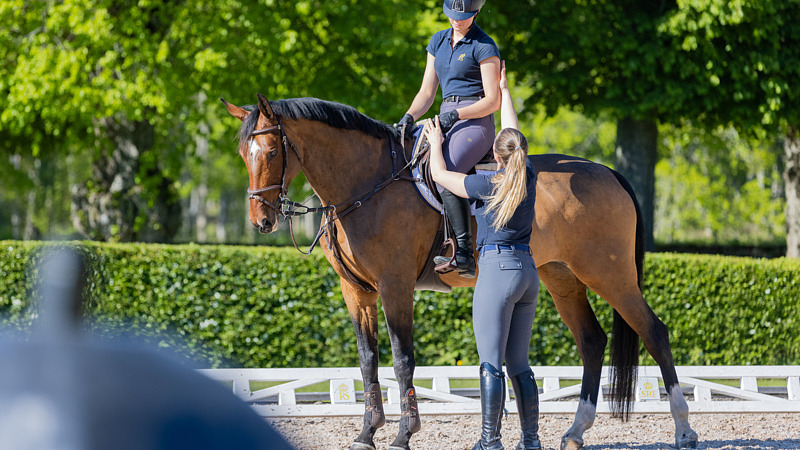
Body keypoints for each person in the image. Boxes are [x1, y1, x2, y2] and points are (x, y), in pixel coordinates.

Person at [423, 61, 542, 450]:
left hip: (496, 271)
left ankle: (490, 442)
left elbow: (441, 177)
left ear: (495, 153)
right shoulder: (529, 176)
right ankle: (531, 441)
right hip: (528, 272)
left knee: (491, 363)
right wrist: (504, 91)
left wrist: (436, 144)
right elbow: (516, 137)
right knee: (520, 366)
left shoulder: (484, 183)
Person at [397, 0, 501, 278]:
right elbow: (427, 92)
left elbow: (493, 100)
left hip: (475, 121)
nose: (457, 20)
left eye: (464, 16)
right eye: (453, 15)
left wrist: (456, 115)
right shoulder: (438, 41)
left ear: (476, 13)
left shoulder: (484, 45)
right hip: (442, 117)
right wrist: (408, 117)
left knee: (445, 171)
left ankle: (465, 254)